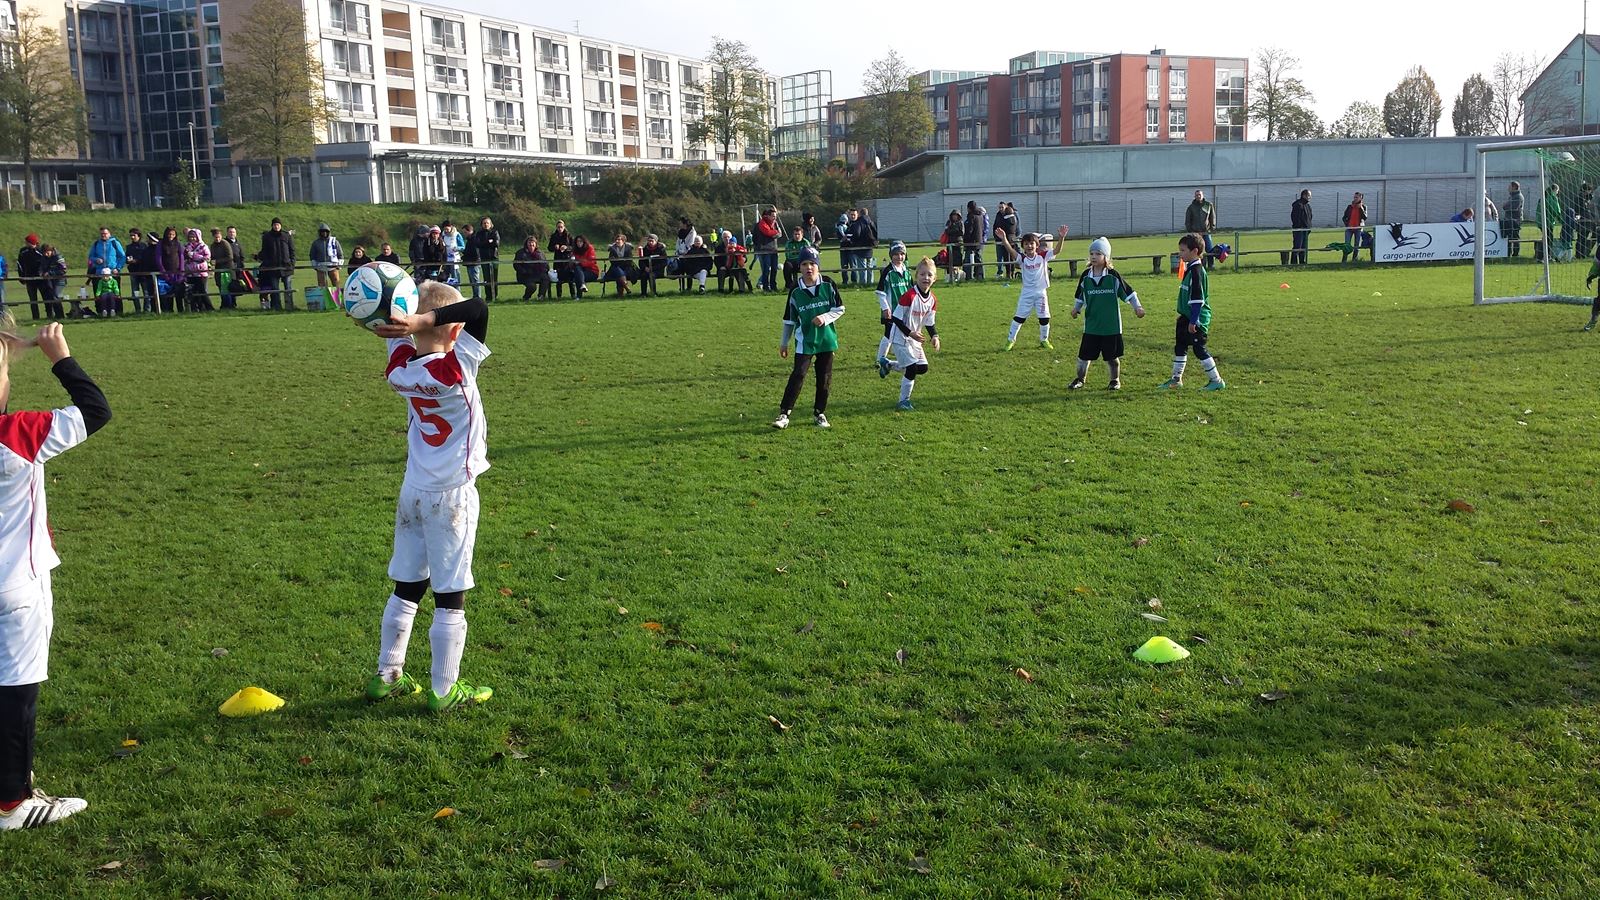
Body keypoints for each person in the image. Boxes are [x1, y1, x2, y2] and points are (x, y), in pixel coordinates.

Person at [360, 282, 493, 713]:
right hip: (452, 496)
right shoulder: (458, 367)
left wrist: (394, 316)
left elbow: (397, 325)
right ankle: (444, 690)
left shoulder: (399, 367)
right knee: (450, 594)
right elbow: (479, 308)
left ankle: (387, 675)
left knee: (408, 585)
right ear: (456, 331)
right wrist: (424, 319)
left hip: (413, 491)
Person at [0, 317, 111, 831]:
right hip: (16, 587)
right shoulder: (20, 434)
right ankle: (13, 804)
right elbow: (95, 410)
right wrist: (60, 357)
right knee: (17, 691)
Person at [772, 247, 843, 429]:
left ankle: (820, 413)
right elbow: (789, 319)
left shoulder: (828, 284)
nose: (809, 267)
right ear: (800, 267)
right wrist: (784, 343)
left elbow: (839, 309)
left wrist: (824, 317)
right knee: (798, 374)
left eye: (812, 263)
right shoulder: (795, 290)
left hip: (827, 340)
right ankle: (784, 414)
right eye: (804, 264)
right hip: (805, 341)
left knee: (824, 378)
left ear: (818, 266)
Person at [1069, 237, 1145, 391]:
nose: (1094, 256)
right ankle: (1080, 379)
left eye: (1098, 253)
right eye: (1092, 253)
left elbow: (1129, 293)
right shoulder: (1086, 276)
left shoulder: (1112, 276)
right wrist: (1076, 308)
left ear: (1106, 257)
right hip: (1092, 325)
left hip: (1111, 326)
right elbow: (1080, 295)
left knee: (1111, 357)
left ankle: (1115, 380)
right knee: (1084, 356)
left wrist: (1138, 307)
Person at [1160, 233, 1226, 391]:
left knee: (1199, 349)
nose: (1180, 253)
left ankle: (1216, 381)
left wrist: (1193, 321)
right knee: (1180, 346)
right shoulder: (1190, 269)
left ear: (1195, 251)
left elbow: (1197, 299)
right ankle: (1176, 379)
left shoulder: (1196, 272)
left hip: (1196, 319)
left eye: (1183, 250)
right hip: (1187, 316)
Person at [995, 225, 1069, 350]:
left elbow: (1057, 251)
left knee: (1044, 318)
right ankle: (1010, 340)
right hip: (1027, 293)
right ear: (1023, 246)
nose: (1029, 246)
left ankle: (1044, 340)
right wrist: (1004, 239)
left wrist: (1061, 237)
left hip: (1041, 293)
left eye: (1032, 243)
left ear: (1037, 245)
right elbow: (1011, 251)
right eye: (1026, 244)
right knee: (1019, 318)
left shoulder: (1043, 256)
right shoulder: (1022, 259)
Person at [881, 256, 940, 411]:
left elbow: (930, 322)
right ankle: (903, 401)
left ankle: (888, 364)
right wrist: (910, 333)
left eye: (929, 275)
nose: (926, 278)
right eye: (922, 274)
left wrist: (935, 336)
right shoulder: (909, 296)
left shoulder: (932, 300)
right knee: (912, 368)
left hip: (914, 339)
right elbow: (896, 317)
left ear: (934, 278)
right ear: (916, 276)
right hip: (900, 337)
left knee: (923, 368)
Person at [874, 241, 913, 368]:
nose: (899, 257)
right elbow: (880, 292)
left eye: (902, 254)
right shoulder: (888, 272)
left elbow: (911, 289)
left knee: (906, 333)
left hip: (905, 310)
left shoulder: (906, 271)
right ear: (891, 255)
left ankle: (909, 356)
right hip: (892, 311)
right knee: (889, 334)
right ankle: (880, 360)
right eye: (896, 254)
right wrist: (885, 308)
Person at [257, 217, 296, 311]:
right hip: (273, 267)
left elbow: (292, 250)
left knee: (288, 288)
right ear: (272, 226)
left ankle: (289, 306)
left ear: (281, 225)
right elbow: (264, 251)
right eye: (275, 225)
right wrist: (264, 260)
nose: (276, 226)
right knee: (275, 289)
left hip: (286, 267)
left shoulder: (286, 236)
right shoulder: (267, 237)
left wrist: (292, 263)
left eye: (278, 225)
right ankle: (277, 307)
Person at [86, 227, 125, 308]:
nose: (103, 235)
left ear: (109, 234)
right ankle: (100, 311)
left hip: (112, 272)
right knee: (98, 293)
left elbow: (122, 257)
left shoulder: (114, 243)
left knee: (115, 292)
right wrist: (96, 260)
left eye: (105, 233)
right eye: (102, 234)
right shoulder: (96, 244)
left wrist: (117, 268)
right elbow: (91, 257)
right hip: (99, 273)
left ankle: (117, 311)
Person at [124, 229, 157, 314]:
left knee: (146, 292)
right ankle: (137, 310)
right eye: (131, 235)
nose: (132, 237)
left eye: (134, 235)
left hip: (143, 272)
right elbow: (126, 257)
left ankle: (147, 310)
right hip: (133, 272)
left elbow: (145, 258)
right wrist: (128, 260)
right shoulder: (129, 247)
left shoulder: (144, 246)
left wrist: (137, 260)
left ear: (139, 236)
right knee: (135, 292)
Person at [181, 228, 213, 312]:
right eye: (190, 237)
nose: (192, 238)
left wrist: (194, 255)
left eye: (194, 237)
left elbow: (207, 257)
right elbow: (183, 256)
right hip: (190, 272)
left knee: (202, 291)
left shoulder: (203, 246)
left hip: (201, 273)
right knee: (192, 291)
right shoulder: (186, 246)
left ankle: (209, 308)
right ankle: (195, 309)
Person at [310, 223, 344, 300]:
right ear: (320, 232)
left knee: (336, 284)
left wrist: (339, 265)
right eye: (322, 231)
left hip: (333, 266)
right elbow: (312, 255)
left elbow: (340, 254)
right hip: (321, 267)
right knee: (322, 286)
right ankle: (324, 302)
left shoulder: (334, 242)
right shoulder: (316, 243)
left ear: (328, 232)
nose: (324, 233)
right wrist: (314, 265)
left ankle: (338, 301)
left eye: (326, 231)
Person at [752, 207, 782, 292]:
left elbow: (780, 233)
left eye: (775, 216)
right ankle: (765, 287)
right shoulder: (760, 225)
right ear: (768, 216)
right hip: (764, 250)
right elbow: (757, 237)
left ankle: (773, 286)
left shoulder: (775, 223)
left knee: (774, 269)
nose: (774, 218)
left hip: (774, 249)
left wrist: (775, 234)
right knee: (766, 269)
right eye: (773, 216)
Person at [17, 236, 46, 322]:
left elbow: (45, 263)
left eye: (27, 242)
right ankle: (35, 317)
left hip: (41, 279)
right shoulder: (23, 251)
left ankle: (49, 315)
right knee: (33, 299)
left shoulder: (40, 251)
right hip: (29, 278)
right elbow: (20, 265)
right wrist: (22, 277)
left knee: (46, 298)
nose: (25, 243)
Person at [157, 227, 184, 313]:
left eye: (173, 234)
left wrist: (181, 272)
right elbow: (159, 259)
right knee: (167, 294)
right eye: (169, 234)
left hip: (177, 272)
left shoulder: (178, 244)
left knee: (179, 293)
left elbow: (181, 257)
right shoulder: (161, 244)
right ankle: (168, 311)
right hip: (166, 272)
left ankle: (181, 311)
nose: (171, 236)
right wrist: (164, 272)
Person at [1184, 189, 1216, 263]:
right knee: (1197, 250)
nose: (1198, 196)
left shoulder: (1208, 205)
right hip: (1196, 233)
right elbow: (1188, 220)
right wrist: (1191, 231)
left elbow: (1212, 217)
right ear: (1194, 196)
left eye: (1199, 195)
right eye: (1197, 195)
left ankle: (1211, 265)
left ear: (1202, 195)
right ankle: (1199, 264)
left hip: (1206, 232)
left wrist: (1212, 228)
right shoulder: (1191, 207)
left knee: (1209, 249)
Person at [473, 218, 501, 302]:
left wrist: (485, 243)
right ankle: (488, 297)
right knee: (486, 278)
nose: (486, 225)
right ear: (482, 224)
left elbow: (496, 244)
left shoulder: (494, 232)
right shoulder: (479, 233)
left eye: (487, 223)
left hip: (494, 258)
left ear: (490, 224)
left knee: (494, 278)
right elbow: (477, 244)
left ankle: (494, 296)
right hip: (484, 258)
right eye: (484, 223)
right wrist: (488, 242)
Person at [210, 227, 238, 310]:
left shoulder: (225, 243)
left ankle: (230, 305)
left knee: (227, 287)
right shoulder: (213, 246)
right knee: (221, 287)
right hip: (219, 270)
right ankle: (224, 305)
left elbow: (230, 257)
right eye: (216, 237)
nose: (217, 239)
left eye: (219, 237)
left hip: (227, 269)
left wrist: (217, 261)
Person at [993, 202, 1021, 280]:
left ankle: (1008, 274)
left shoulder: (1004, 220)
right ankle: (1012, 272)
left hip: (1005, 240)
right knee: (1012, 257)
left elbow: (1000, 228)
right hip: (1012, 239)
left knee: (1006, 258)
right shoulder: (1014, 219)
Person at [39, 247, 67, 321]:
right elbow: (41, 267)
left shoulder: (58, 257)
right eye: (44, 253)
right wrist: (41, 272)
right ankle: (57, 315)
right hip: (50, 281)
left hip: (60, 280)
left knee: (55, 296)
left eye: (47, 252)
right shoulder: (44, 258)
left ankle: (60, 315)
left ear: (51, 250)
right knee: (52, 297)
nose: (46, 254)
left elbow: (63, 270)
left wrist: (50, 273)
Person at [782, 225, 811, 293]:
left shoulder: (806, 242)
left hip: (803, 262)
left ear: (802, 235)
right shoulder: (789, 243)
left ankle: (808, 285)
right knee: (787, 265)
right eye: (795, 234)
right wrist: (800, 255)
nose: (797, 236)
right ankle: (789, 286)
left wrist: (798, 257)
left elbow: (808, 255)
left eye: (798, 234)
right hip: (792, 263)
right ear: (793, 235)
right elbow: (789, 256)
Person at [1341, 192, 1369, 263]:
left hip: (1358, 229)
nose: (1355, 198)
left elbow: (1365, 217)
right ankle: (1344, 261)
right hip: (1349, 229)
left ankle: (1354, 261)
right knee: (1347, 245)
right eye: (1354, 197)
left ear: (1361, 198)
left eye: (1357, 197)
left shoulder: (1364, 207)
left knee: (1357, 245)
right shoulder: (1349, 207)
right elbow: (1344, 217)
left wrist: (1361, 208)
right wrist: (1347, 225)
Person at [549, 219, 576, 293]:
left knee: (570, 279)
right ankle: (559, 296)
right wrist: (555, 247)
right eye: (558, 227)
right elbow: (549, 248)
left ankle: (573, 294)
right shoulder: (554, 236)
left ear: (564, 227)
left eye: (561, 227)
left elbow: (574, 247)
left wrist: (566, 248)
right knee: (559, 280)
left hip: (568, 259)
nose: (560, 228)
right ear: (556, 227)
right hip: (558, 260)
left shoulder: (569, 236)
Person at [963, 201, 987, 281]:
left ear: (969, 208)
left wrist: (965, 239)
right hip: (979, 241)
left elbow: (969, 229)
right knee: (978, 259)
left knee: (968, 259)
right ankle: (980, 275)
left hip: (971, 242)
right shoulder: (980, 216)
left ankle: (968, 276)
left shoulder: (971, 216)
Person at [941, 211, 965, 283]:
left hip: (958, 244)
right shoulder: (949, 222)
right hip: (950, 244)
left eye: (956, 215)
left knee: (958, 262)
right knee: (950, 261)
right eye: (953, 215)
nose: (954, 217)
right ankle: (950, 277)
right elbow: (947, 231)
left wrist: (952, 231)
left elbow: (961, 232)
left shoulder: (960, 223)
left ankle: (958, 276)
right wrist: (955, 230)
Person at [1290, 190, 1313, 265]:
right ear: (1304, 195)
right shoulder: (1298, 205)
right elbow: (1295, 218)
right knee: (1297, 247)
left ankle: (1302, 262)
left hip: (1306, 230)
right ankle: (1294, 263)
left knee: (1304, 247)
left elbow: (1310, 217)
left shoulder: (1307, 206)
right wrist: (1299, 226)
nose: (1310, 197)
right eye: (1309, 195)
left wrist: (1309, 227)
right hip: (1299, 230)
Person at [460, 223, 482, 300]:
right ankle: (475, 296)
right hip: (471, 262)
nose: (464, 234)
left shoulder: (474, 239)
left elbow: (474, 252)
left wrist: (464, 255)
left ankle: (477, 297)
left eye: (465, 232)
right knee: (473, 281)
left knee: (475, 281)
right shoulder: (470, 239)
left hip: (474, 263)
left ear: (470, 231)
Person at [1503, 182, 1524, 258]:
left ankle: (1515, 254)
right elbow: (1506, 206)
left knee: (1515, 237)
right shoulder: (1512, 196)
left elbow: (1513, 208)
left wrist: (1505, 206)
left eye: (1509, 187)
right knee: (1508, 237)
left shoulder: (1518, 197)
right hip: (1509, 219)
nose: (1508, 188)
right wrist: (1506, 206)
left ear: (1514, 187)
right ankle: (1508, 253)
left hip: (1515, 220)